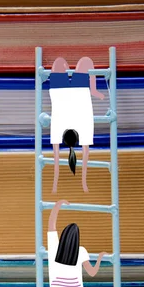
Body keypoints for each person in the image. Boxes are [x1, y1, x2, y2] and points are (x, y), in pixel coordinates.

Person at [49, 56, 105, 193]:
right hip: (67, 93)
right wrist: (83, 183)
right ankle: (73, 77)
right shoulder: (62, 129)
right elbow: (84, 153)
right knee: (67, 61)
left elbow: (58, 157)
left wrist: (55, 185)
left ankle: (73, 77)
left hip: (70, 93)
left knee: (66, 61)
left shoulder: (79, 127)